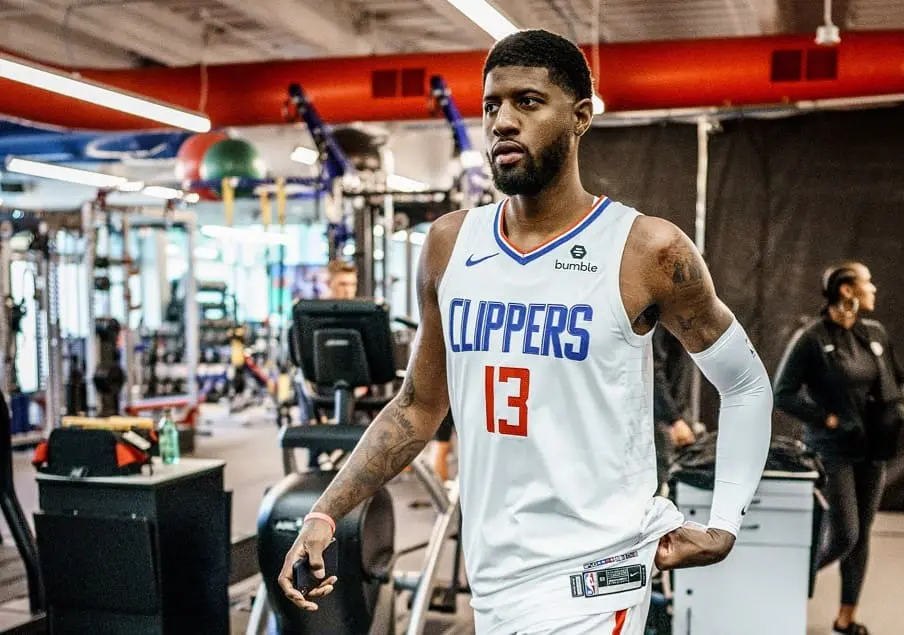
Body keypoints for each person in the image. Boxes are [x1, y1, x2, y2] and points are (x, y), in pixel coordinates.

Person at [278, 28, 773, 634]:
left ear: (581, 117)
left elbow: (746, 384)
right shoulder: (448, 245)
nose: (502, 122)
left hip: (595, 577)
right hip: (493, 580)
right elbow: (416, 407)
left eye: (528, 102)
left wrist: (725, 520)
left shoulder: (645, 249)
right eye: (492, 105)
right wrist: (325, 513)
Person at [772, 261, 904, 635]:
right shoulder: (812, 338)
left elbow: (897, 381)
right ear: (847, 290)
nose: (874, 289)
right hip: (832, 449)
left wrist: (898, 410)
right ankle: (780, 585)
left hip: (873, 450)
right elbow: (782, 394)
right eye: (868, 283)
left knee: (862, 535)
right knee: (845, 535)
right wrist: (828, 420)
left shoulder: (874, 333)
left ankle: (846, 619)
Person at [653, 324, 697, 492]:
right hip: (655, 419)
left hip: (667, 413)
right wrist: (673, 420)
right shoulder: (656, 319)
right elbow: (650, 370)